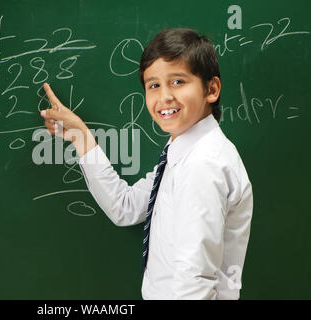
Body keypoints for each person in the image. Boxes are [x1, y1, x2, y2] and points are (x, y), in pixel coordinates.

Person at [39, 28, 253, 300]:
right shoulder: (181, 151)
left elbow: (195, 280)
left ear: (211, 89)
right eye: (154, 85)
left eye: (177, 81)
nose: (164, 96)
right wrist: (80, 137)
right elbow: (125, 207)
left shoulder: (203, 164)